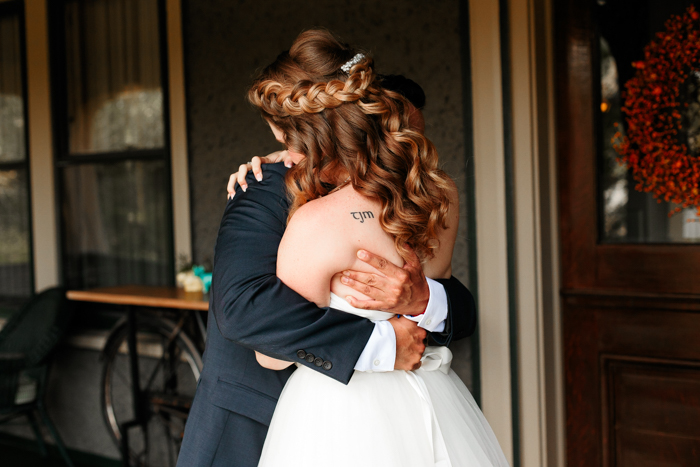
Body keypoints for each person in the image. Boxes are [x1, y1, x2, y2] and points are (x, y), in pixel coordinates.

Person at [176, 46, 476, 467]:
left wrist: (422, 299)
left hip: (393, 420)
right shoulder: (264, 186)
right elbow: (242, 307)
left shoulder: (413, 195)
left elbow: (457, 305)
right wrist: (380, 342)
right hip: (253, 420)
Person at [247, 30, 509, 466]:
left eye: (281, 138)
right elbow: (437, 286)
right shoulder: (438, 196)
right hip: (433, 398)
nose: (281, 150)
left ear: (305, 136)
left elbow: (270, 354)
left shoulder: (315, 224)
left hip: (338, 415)